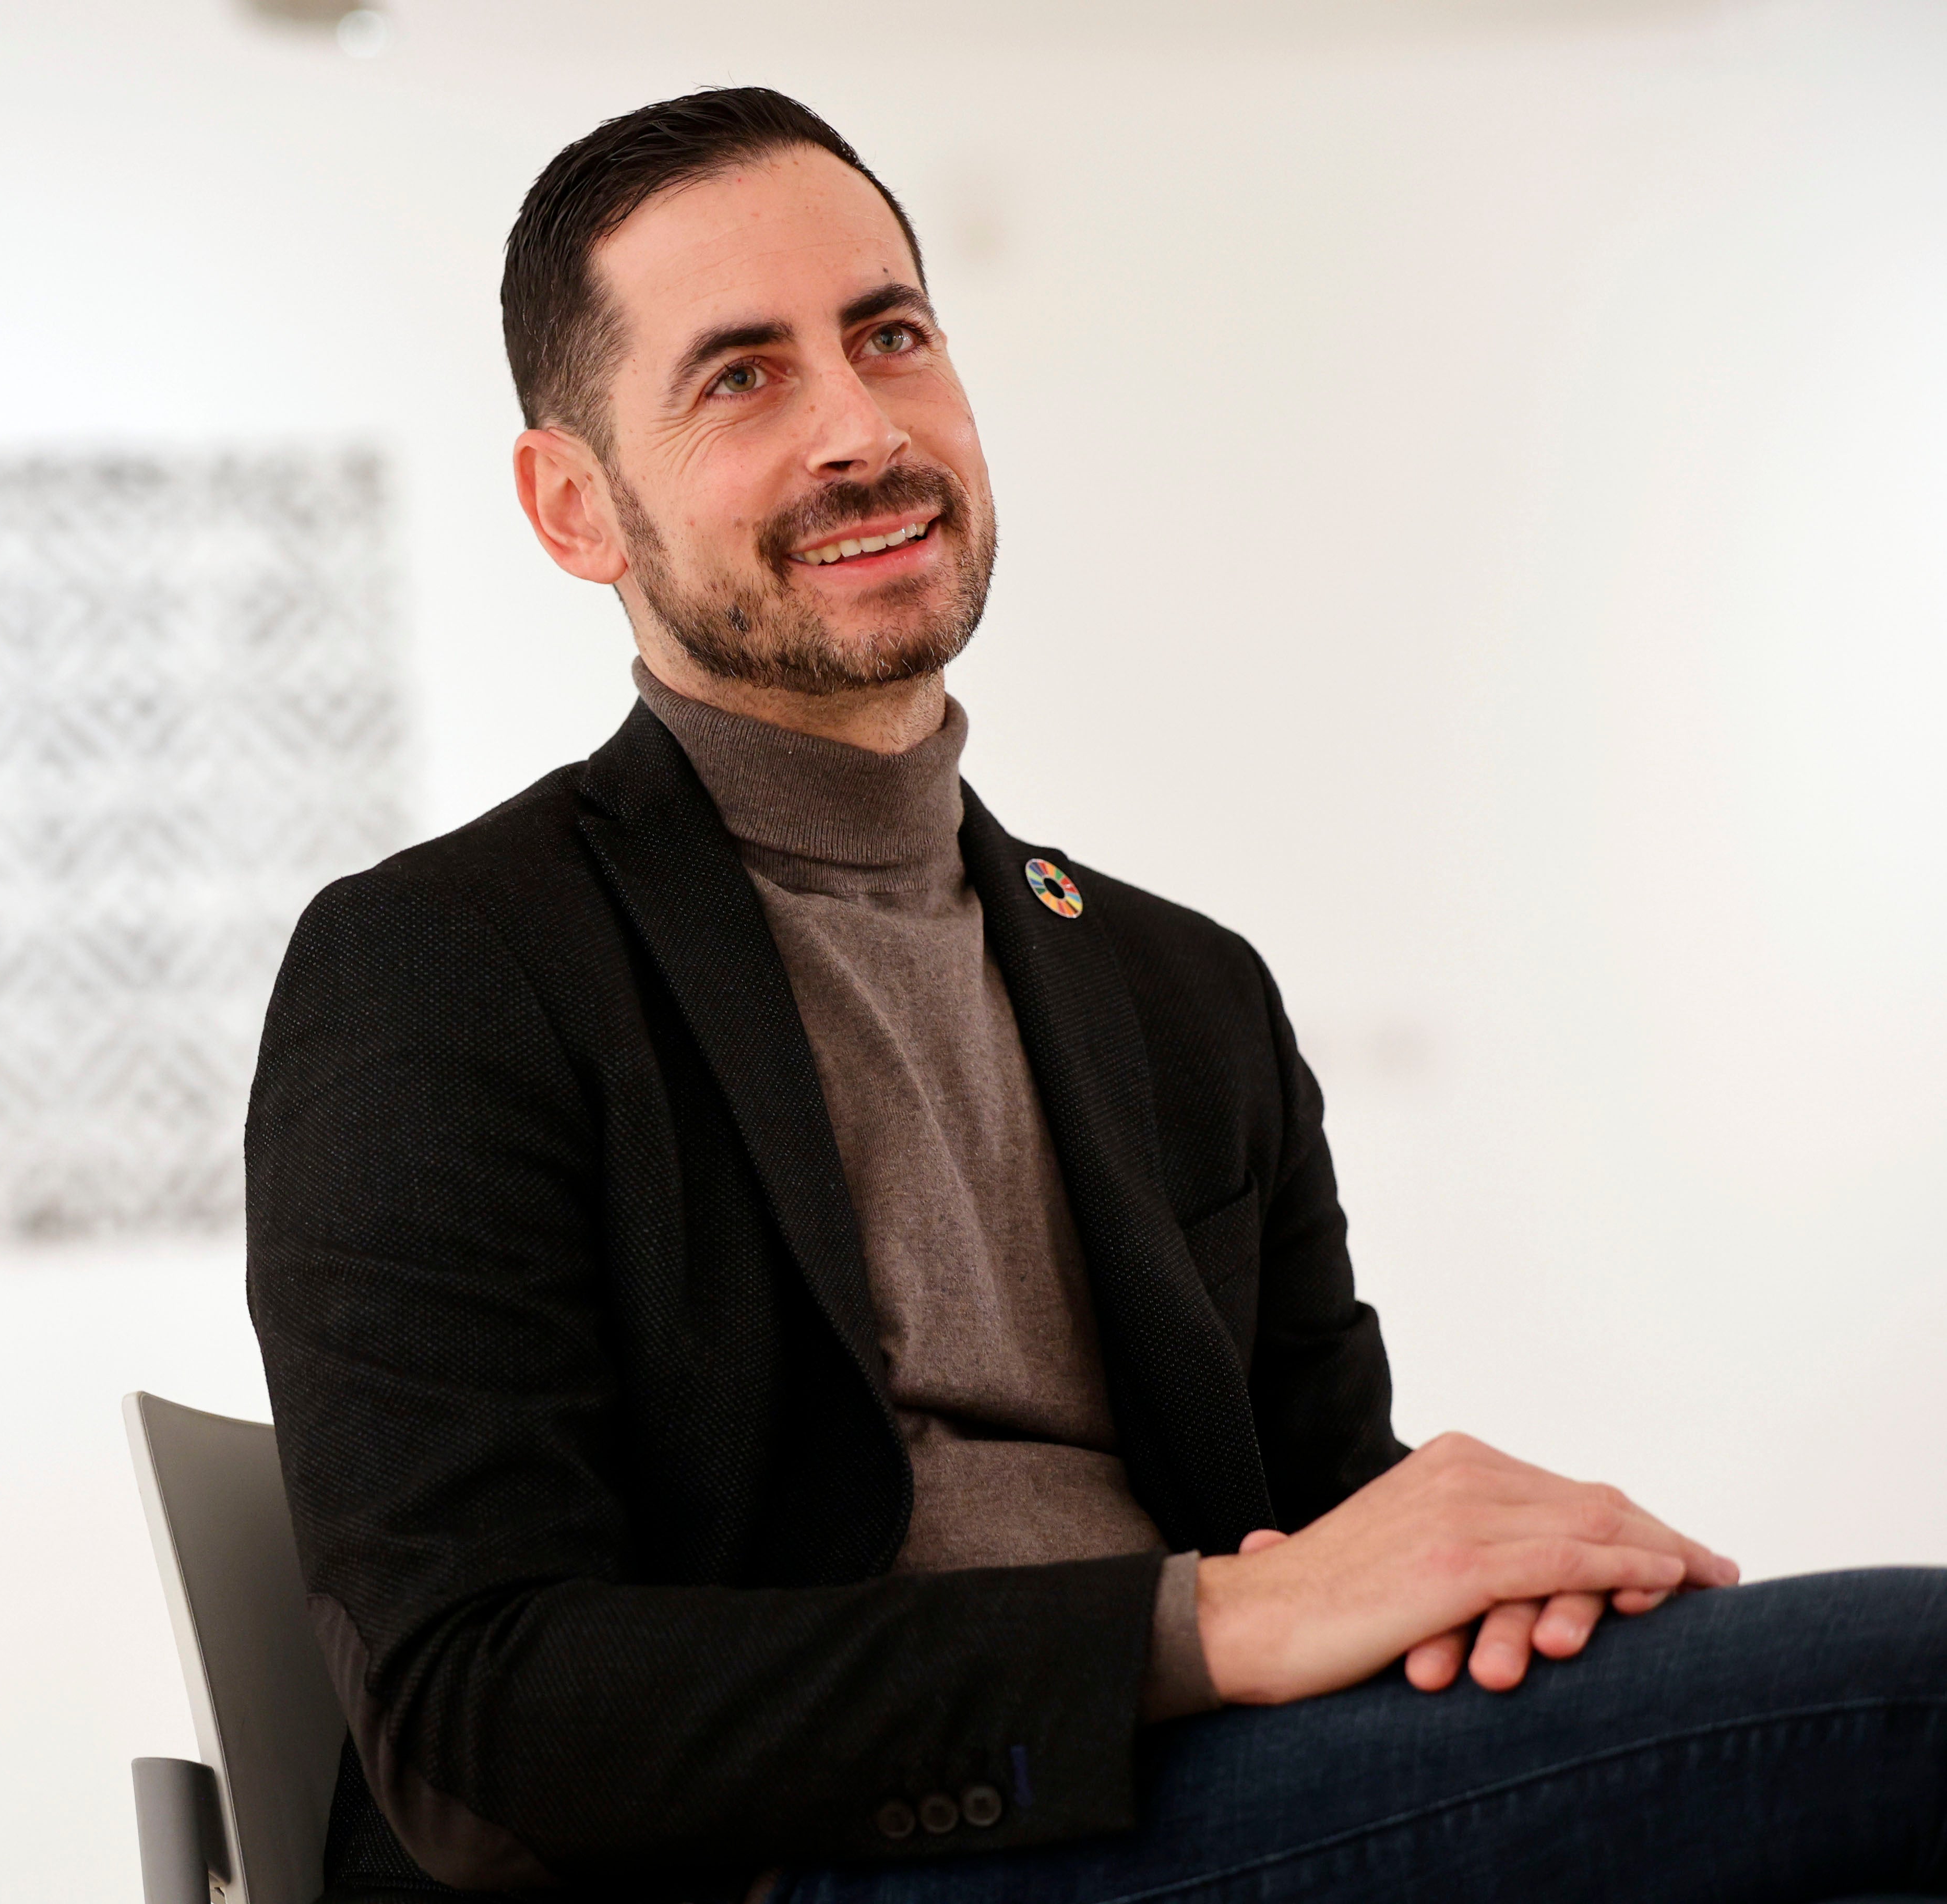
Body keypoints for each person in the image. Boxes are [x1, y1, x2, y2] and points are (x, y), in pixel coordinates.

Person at [244, 87, 1946, 1904]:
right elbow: (482, 1720)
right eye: (742, 377)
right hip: (820, 1862)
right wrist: (1208, 1626)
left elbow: (1324, 1527)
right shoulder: (446, 962)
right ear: (577, 507)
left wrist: (1486, 1591)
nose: (860, 429)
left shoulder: (1182, 991)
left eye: (890, 336)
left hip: (1230, 1806)